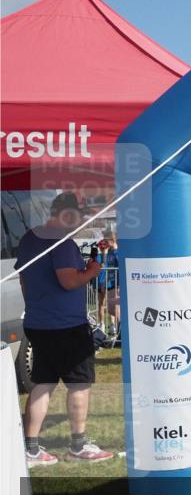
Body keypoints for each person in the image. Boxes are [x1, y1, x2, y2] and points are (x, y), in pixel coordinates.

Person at [15, 192, 113, 466]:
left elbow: (24, 280)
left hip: (37, 323)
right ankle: (79, 445)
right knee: (79, 385)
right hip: (66, 326)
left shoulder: (30, 238)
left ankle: (31, 448)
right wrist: (93, 269)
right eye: (78, 216)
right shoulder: (62, 242)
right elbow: (69, 281)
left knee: (42, 384)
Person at [95, 229, 119, 335]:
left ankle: (117, 326)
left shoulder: (117, 252)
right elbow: (103, 265)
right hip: (107, 281)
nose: (104, 242)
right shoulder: (106, 251)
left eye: (106, 239)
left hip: (116, 283)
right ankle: (104, 325)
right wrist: (103, 252)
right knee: (107, 305)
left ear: (112, 240)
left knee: (114, 306)